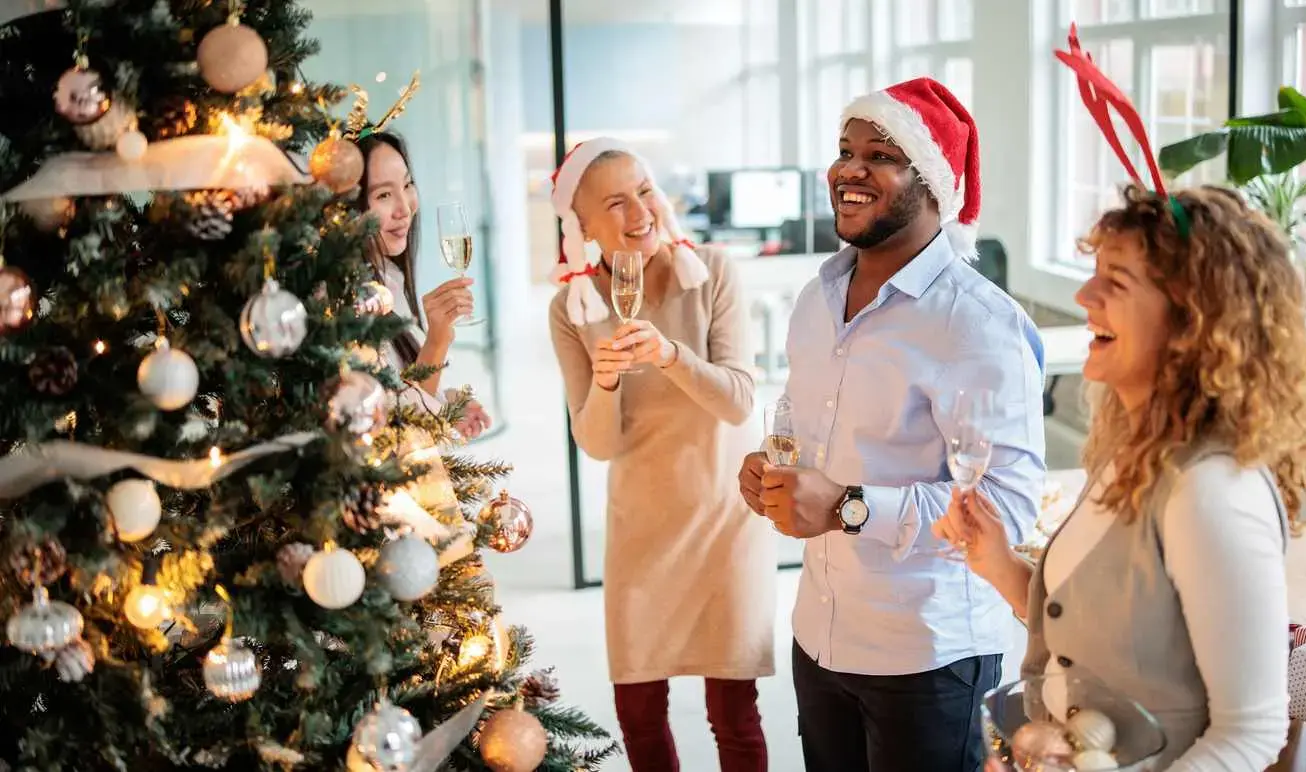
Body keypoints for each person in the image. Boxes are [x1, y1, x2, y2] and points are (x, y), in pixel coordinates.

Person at [938, 32, 1306, 771]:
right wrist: (994, 561)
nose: (1083, 296)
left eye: (1114, 281)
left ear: (1191, 323)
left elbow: (1250, 733)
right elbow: (1099, 650)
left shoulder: (1212, 491)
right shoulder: (1132, 455)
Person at [738, 78, 1047, 772]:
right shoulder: (818, 297)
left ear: (932, 182)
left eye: (881, 153)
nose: (850, 168)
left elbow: (1008, 506)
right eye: (846, 149)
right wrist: (769, 464)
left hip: (928, 656)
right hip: (818, 635)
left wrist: (846, 506)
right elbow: (798, 412)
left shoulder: (976, 322)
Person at [547, 137, 776, 772]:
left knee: (735, 717)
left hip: (724, 522)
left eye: (645, 191)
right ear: (583, 224)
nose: (639, 212)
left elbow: (738, 402)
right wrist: (608, 377)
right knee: (640, 718)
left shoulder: (714, 271)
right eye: (615, 203)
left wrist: (671, 357)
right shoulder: (573, 309)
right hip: (642, 530)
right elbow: (599, 444)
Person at [356, 129, 490, 440]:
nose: (405, 208)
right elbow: (394, 435)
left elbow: (402, 387)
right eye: (383, 195)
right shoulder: (344, 304)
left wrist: (447, 405)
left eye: (406, 185)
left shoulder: (387, 277)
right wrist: (436, 342)